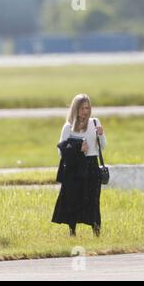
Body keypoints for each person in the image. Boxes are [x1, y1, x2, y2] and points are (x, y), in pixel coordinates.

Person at [52, 94, 106, 237]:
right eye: (82, 108)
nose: (85, 111)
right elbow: (60, 151)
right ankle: (72, 231)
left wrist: (101, 135)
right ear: (76, 109)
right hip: (74, 168)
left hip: (92, 166)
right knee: (73, 199)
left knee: (93, 200)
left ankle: (96, 231)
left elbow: (103, 147)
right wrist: (78, 149)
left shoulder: (95, 122)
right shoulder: (68, 127)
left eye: (87, 108)